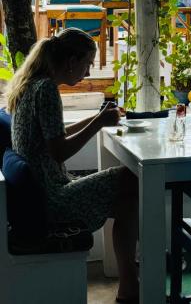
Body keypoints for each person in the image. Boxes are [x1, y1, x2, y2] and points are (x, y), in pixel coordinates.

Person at [6, 28, 139, 303]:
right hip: (53, 199)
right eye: (88, 64)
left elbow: (56, 135)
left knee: (127, 199)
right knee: (131, 180)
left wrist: (96, 117)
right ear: (71, 61)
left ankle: (129, 285)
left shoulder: (33, 85)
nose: (88, 73)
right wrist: (100, 123)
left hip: (46, 191)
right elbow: (59, 151)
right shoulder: (46, 90)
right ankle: (131, 281)